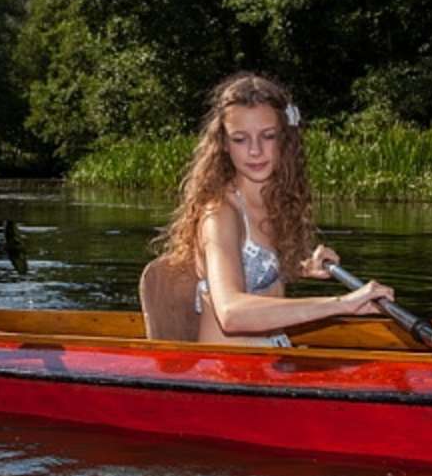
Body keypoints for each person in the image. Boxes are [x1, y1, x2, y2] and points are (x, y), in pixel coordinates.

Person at [155, 73, 392, 345]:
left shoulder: (275, 200)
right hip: (226, 371)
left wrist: (300, 267)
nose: (255, 150)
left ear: (284, 139)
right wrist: (342, 304)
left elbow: (256, 270)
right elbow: (231, 312)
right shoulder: (219, 213)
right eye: (240, 139)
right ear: (223, 143)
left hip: (272, 360)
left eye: (267, 136)